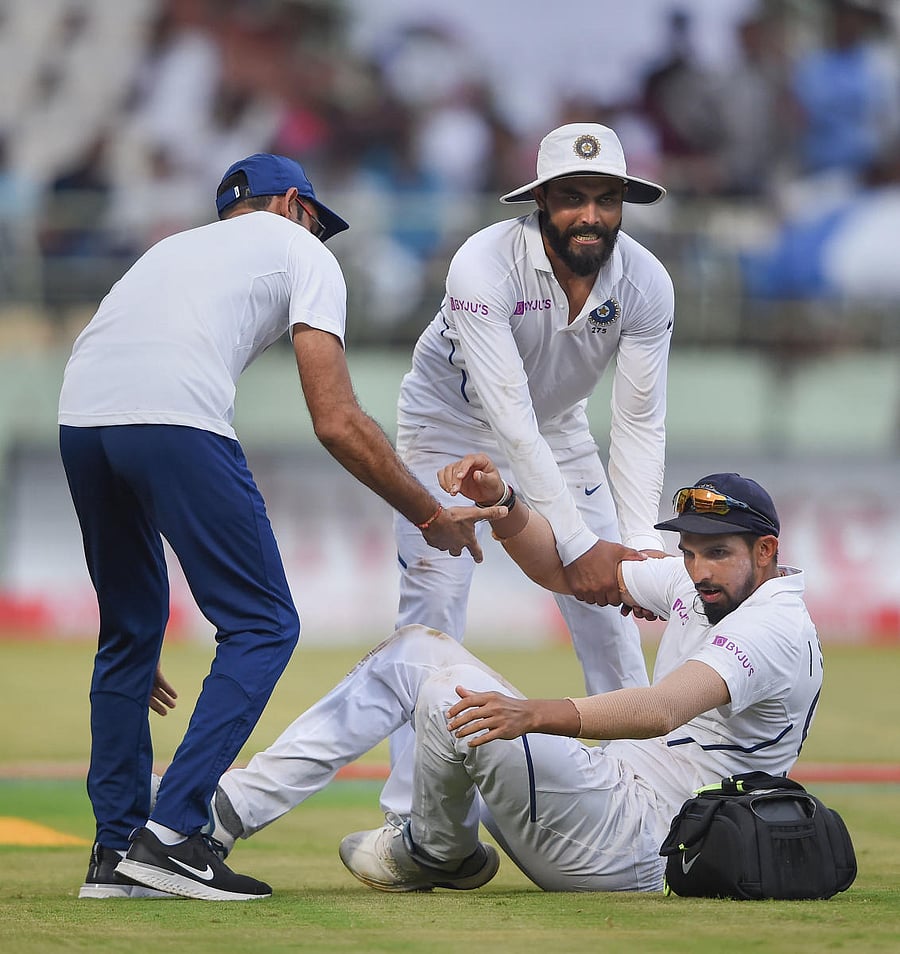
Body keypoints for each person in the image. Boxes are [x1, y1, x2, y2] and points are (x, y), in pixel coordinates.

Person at [58, 153, 505, 902]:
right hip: (175, 419)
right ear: (294, 203)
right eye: (317, 223)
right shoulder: (302, 249)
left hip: (80, 419)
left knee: (130, 635)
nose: (319, 237)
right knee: (263, 624)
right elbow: (336, 420)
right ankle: (172, 836)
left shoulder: (169, 248)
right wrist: (429, 514)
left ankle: (114, 855)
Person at [192, 453, 821, 893]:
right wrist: (503, 504)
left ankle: (435, 851)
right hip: (611, 797)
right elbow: (568, 572)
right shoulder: (700, 583)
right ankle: (225, 810)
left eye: (717, 552)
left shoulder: (773, 626)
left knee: (452, 698)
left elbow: (662, 710)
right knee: (415, 650)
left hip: (650, 839)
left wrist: (534, 714)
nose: (698, 569)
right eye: (689, 552)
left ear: (766, 551)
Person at [381, 121, 675, 822]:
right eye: (572, 198)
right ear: (539, 199)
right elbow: (508, 418)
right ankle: (414, 819)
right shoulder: (481, 265)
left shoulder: (646, 281)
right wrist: (578, 546)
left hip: (559, 428)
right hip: (446, 429)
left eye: (606, 199)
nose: (590, 216)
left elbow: (638, 422)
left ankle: (649, 802)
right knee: (433, 614)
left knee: (613, 622)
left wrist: (637, 548)